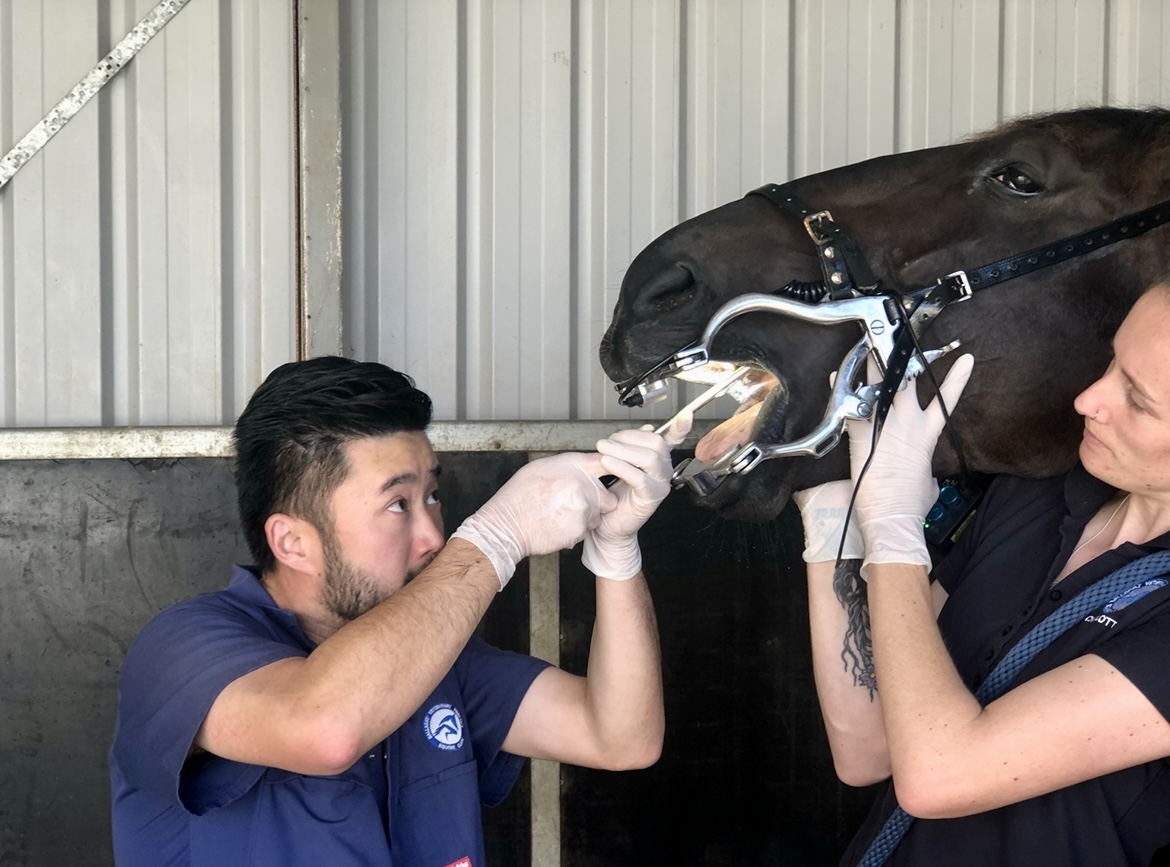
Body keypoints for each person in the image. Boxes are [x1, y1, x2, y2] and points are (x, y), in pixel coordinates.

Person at [108, 355, 690, 867]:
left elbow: (620, 737)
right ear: (293, 543)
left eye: (431, 495)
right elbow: (325, 728)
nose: (433, 535)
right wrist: (499, 534)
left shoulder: (440, 663)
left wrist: (616, 555)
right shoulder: (183, 647)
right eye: (396, 504)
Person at [794, 282, 1170, 865]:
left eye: (1139, 401)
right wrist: (837, 511)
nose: (1088, 399)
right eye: (1112, 363)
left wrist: (893, 524)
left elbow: (939, 775)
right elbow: (868, 749)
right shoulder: (1033, 499)